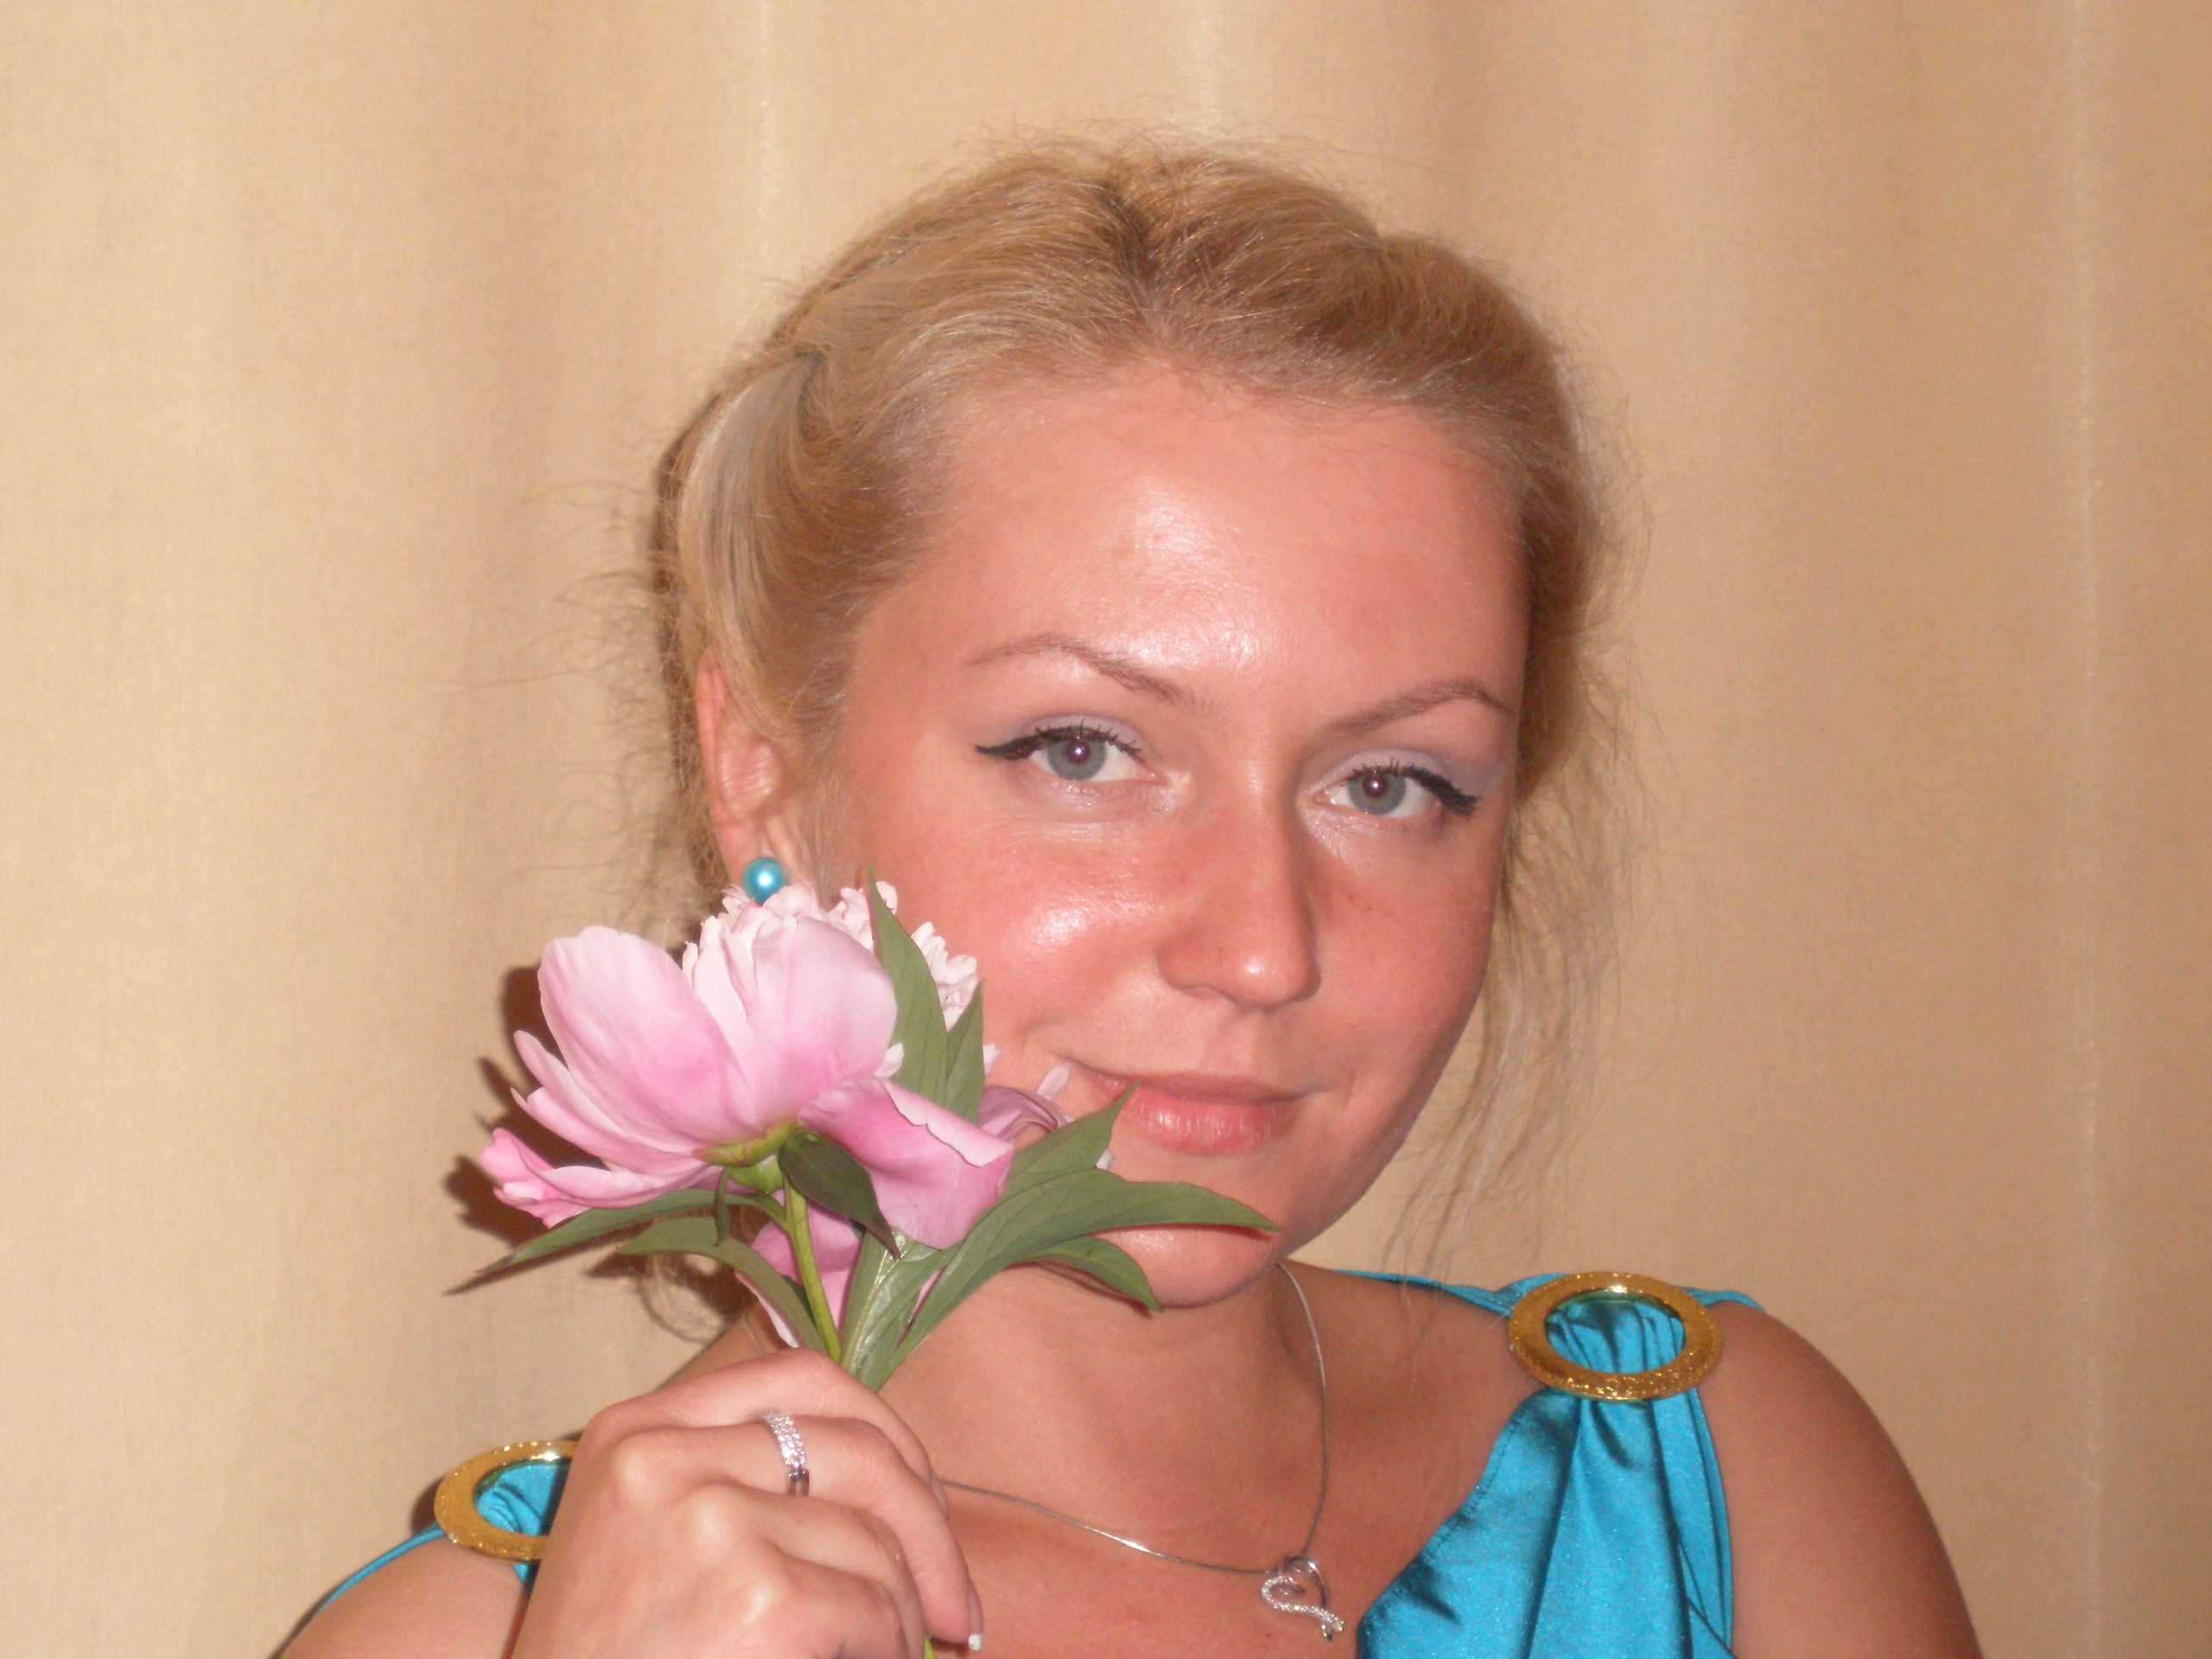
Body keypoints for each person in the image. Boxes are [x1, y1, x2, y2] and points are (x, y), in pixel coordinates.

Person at [285, 139, 1980, 1659]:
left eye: (1390, 784)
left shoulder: (1724, 1482)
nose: (1261, 947)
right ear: (765, 773)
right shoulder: (476, 1642)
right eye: (1083, 752)